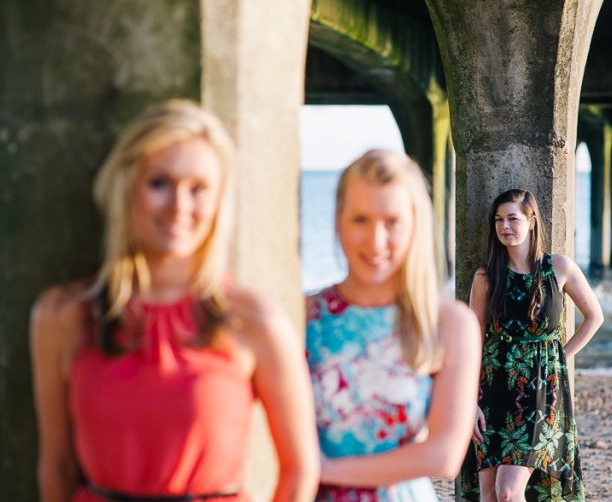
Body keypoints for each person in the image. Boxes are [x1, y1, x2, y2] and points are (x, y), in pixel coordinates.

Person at [30, 99, 319, 502]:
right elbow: (56, 467)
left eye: (199, 189)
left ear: (220, 201)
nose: (179, 207)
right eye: (160, 183)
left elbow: (300, 470)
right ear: (126, 186)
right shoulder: (63, 315)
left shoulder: (255, 320)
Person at [305, 150, 481, 501]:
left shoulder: (448, 323)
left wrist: (326, 471)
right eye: (360, 219)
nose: (375, 240)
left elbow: (444, 456)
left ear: (415, 225)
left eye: (392, 222)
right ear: (338, 219)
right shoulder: (304, 317)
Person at [458, 189, 604, 502]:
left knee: (508, 492)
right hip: (493, 388)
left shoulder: (558, 268)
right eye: (499, 219)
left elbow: (594, 317)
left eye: (513, 218)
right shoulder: (486, 277)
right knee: (488, 495)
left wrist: (561, 358)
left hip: (540, 391)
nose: (504, 226)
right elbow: (471, 341)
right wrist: (469, 401)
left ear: (532, 221)